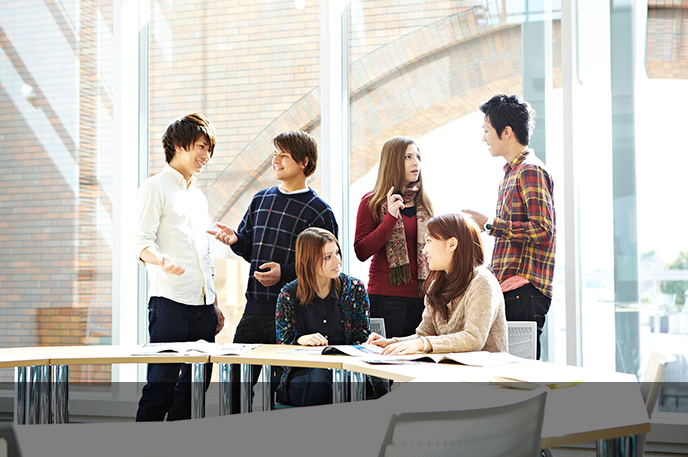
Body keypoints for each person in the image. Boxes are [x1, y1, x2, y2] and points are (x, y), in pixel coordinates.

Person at [208, 130, 338, 412]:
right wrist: (235, 241)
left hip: (297, 315)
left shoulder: (320, 212)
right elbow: (249, 248)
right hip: (254, 311)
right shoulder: (260, 199)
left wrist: (286, 272)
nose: (275, 160)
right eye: (274, 154)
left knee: (286, 392)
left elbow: (327, 266)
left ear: (304, 162)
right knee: (234, 386)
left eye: (283, 155)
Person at [133, 113, 225, 421]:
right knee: (161, 390)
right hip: (169, 304)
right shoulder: (154, 187)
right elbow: (141, 243)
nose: (206, 156)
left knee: (194, 393)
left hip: (203, 308)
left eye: (209, 149)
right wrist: (159, 259)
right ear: (177, 144)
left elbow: (204, 254)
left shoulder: (198, 197)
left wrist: (215, 302)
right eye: (201, 146)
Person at [464, 94, 555, 360]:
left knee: (518, 377)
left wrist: (490, 224)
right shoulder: (513, 173)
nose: (483, 138)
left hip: (523, 291)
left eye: (486, 130)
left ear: (507, 132)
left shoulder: (529, 170)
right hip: (512, 290)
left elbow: (542, 229)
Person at [366, 212, 507, 355]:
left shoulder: (482, 282)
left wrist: (421, 344)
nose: (424, 250)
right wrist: (392, 342)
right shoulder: (436, 286)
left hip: (484, 374)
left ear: (452, 244)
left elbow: (473, 338)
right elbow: (424, 335)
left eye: (429, 241)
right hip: (450, 371)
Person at [275, 228, 370, 406]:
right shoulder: (288, 295)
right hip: (303, 376)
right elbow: (282, 347)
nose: (337, 261)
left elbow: (362, 340)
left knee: (342, 381)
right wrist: (300, 340)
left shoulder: (355, 289)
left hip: (347, 371)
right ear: (306, 260)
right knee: (319, 374)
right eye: (328, 257)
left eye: (337, 253)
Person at [354, 136, 434, 339]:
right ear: (393, 162)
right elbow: (361, 251)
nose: (416, 162)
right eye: (408, 157)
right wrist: (390, 217)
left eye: (417, 156)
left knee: (417, 364)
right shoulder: (371, 201)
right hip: (385, 298)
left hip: (422, 298)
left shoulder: (424, 204)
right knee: (384, 363)